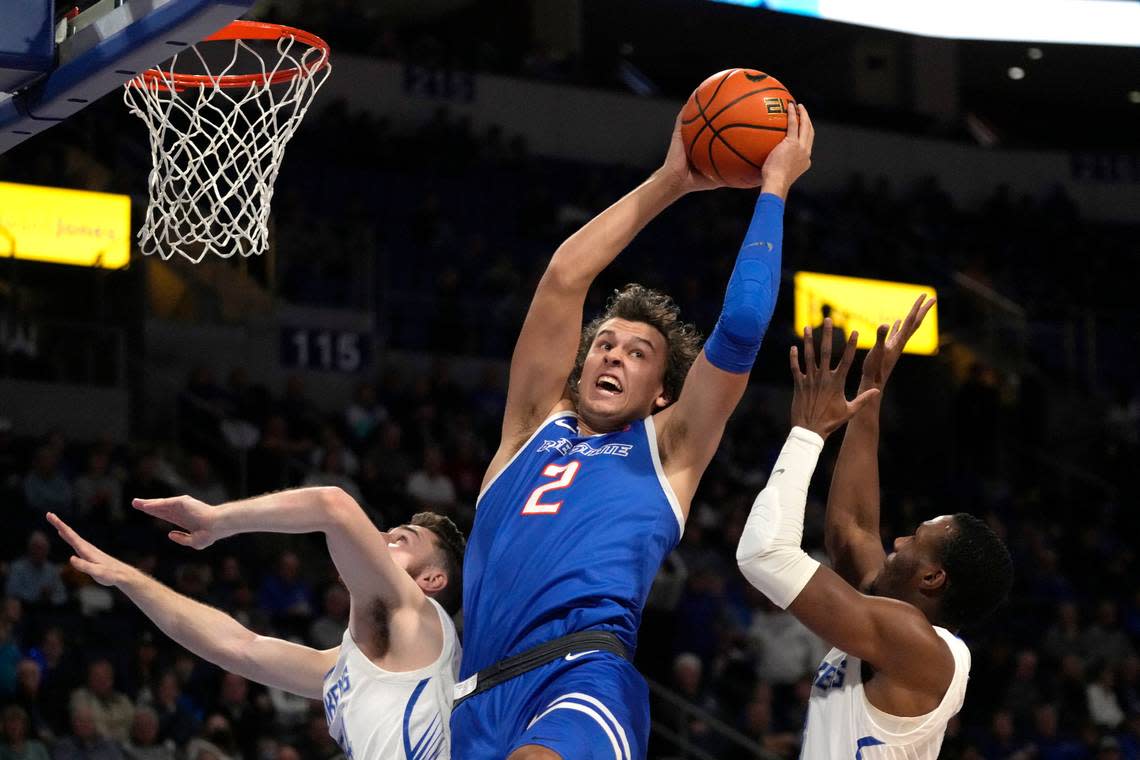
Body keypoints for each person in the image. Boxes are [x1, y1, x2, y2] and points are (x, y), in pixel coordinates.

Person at [453, 103, 815, 759]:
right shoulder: (531, 425)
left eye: (636, 353)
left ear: (662, 394)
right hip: (473, 703)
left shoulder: (667, 448)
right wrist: (670, 180)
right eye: (604, 344)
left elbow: (738, 329)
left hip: (582, 679)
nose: (613, 355)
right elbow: (566, 277)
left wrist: (774, 188)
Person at [734, 299, 1014, 759]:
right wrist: (870, 392)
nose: (897, 541)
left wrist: (807, 434)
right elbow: (853, 530)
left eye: (913, 540)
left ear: (931, 578)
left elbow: (762, 554)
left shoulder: (922, 647)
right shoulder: (895, 628)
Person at [45, 483, 465, 760]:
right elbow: (235, 646)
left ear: (431, 579)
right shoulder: (343, 667)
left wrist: (218, 520)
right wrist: (129, 579)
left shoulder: (418, 619)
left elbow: (332, 505)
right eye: (384, 531)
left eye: (398, 541)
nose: (377, 538)